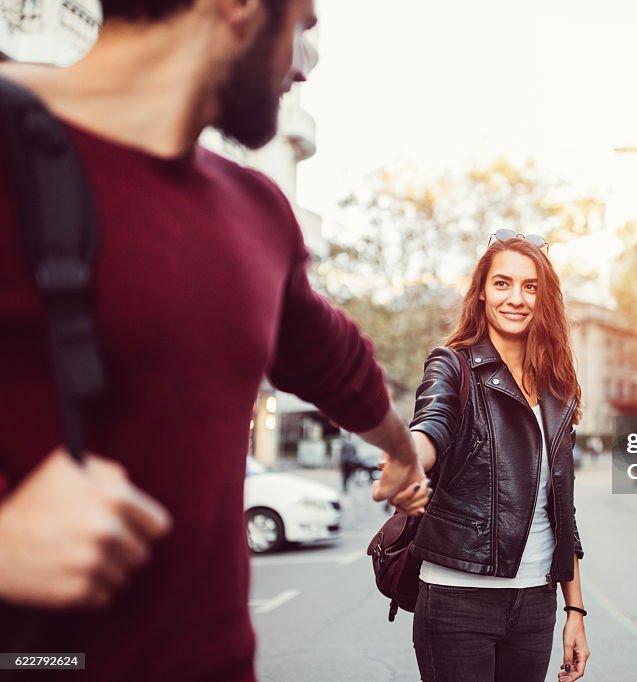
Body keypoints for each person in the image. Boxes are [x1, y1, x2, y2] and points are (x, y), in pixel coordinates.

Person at [0, 1, 428, 680]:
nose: (303, 71)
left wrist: (401, 454)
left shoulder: (256, 209)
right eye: (303, 31)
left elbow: (335, 362)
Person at [405, 231, 591, 682]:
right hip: (457, 601)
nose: (516, 298)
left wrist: (575, 609)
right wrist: (409, 458)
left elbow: (561, 509)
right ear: (482, 292)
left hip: (535, 603)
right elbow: (432, 424)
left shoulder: (557, 386)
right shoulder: (452, 365)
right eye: (502, 283)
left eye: (531, 287)